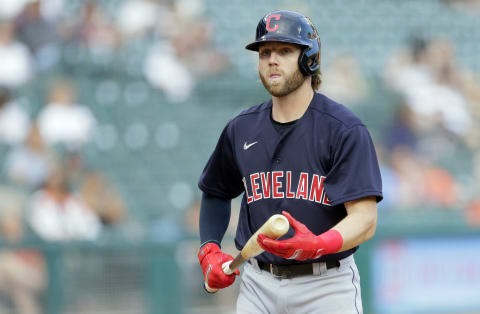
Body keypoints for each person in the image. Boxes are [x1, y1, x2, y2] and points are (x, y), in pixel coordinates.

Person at [197, 10, 382, 314]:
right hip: (258, 283)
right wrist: (209, 248)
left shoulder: (343, 129)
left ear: (309, 58)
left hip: (325, 285)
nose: (271, 59)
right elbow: (216, 191)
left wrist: (320, 243)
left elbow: (365, 218)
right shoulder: (240, 128)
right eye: (265, 52)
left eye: (284, 50)